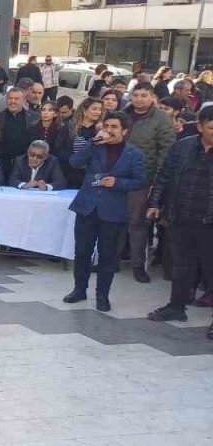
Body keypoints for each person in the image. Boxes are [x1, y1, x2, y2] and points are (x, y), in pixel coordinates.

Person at [65, 112, 148, 312]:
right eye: (107, 126)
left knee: (107, 255)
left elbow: (141, 181)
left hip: (113, 211)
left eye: (114, 127)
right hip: (87, 207)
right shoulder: (95, 147)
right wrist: (93, 143)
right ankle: (79, 289)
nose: (109, 130)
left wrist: (118, 183)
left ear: (124, 131)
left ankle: (102, 295)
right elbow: (75, 162)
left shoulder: (134, 154)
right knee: (82, 252)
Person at [145, 106, 213, 338]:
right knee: (181, 266)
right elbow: (164, 176)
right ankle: (176, 306)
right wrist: (154, 203)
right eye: (211, 127)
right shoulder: (183, 147)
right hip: (181, 217)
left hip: (210, 221)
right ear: (201, 126)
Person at [122, 83, 176, 284]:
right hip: (117, 177)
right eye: (135, 95)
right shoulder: (122, 114)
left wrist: (157, 181)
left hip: (143, 179)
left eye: (144, 95)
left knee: (138, 224)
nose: (139, 99)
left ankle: (138, 266)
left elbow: (167, 152)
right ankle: (109, 259)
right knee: (113, 220)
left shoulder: (161, 119)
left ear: (152, 97)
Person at [56, 97, 104, 187]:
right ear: (84, 110)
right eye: (94, 109)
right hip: (68, 173)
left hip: (90, 175)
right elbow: (58, 149)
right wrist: (75, 159)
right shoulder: (69, 127)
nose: (98, 112)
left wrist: (100, 132)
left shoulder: (101, 130)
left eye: (100, 110)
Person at [0, 89, 37, 181]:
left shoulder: (35, 118)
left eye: (16, 98)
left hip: (25, 165)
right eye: (10, 98)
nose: (12, 101)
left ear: (23, 100)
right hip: (1, 163)